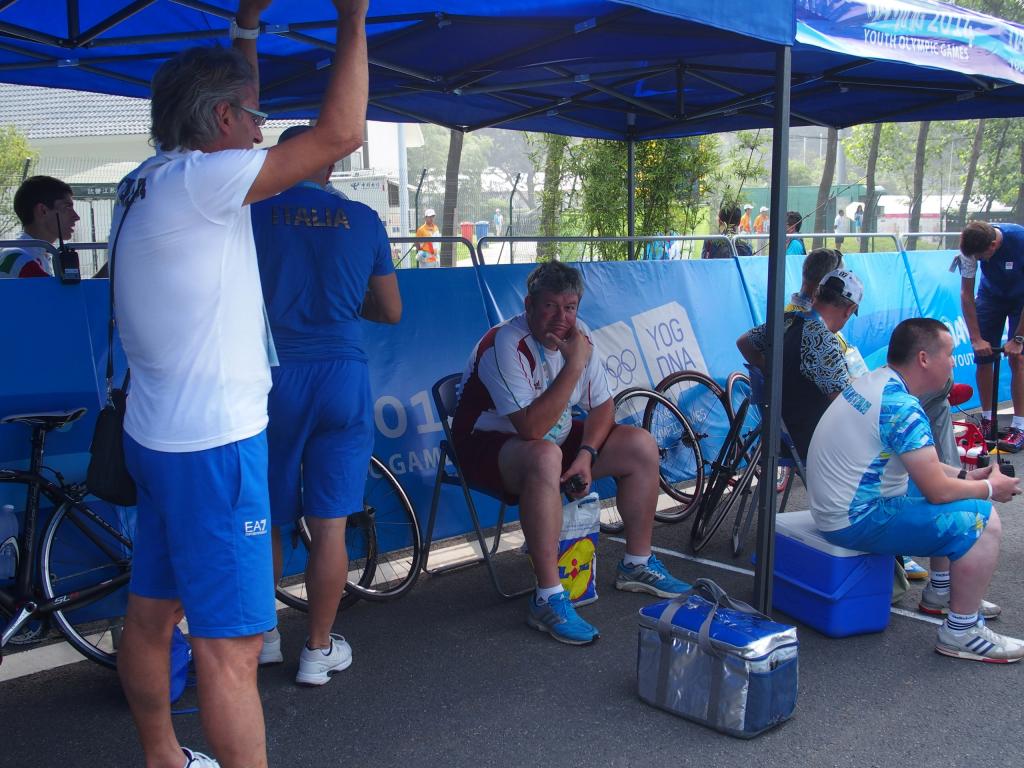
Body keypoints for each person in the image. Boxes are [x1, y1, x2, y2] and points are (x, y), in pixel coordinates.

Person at [112, 2, 370, 767]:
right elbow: (341, 134)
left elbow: (237, 105)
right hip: (213, 449)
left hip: (158, 439)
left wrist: (247, 30)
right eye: (253, 118)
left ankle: (165, 758)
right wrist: (353, 18)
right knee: (232, 651)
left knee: (151, 617)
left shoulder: (148, 180)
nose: (261, 132)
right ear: (221, 119)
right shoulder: (204, 182)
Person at [451, 261, 690, 645]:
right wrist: (575, 364)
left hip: (551, 437)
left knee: (640, 445)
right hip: (484, 445)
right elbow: (530, 428)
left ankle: (637, 563)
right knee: (545, 455)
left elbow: (603, 406)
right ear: (529, 305)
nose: (561, 318)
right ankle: (547, 597)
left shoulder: (580, 335)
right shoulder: (505, 343)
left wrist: (586, 456)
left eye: (570, 307)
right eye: (550, 306)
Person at [251, 124, 401, 685]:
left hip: (272, 377)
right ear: (329, 165)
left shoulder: (252, 213)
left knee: (265, 519)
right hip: (342, 375)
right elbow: (391, 311)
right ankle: (317, 651)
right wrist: (343, 302)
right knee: (331, 524)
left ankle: (263, 637)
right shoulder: (363, 219)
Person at [807, 318, 1023, 663]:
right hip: (855, 518)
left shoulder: (877, 382)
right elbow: (938, 491)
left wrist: (967, 476)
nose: (953, 363)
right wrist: (988, 487)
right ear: (924, 358)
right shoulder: (900, 406)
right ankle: (962, 631)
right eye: (949, 355)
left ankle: (942, 591)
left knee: (959, 492)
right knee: (984, 521)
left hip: (839, 507)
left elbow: (924, 467)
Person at [737, 268, 861, 461]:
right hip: (809, 441)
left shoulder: (787, 320)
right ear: (849, 310)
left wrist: (771, 371)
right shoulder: (823, 340)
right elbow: (846, 402)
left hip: (776, 429)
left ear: (817, 293)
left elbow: (744, 342)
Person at [957, 220, 1024, 452]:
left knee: (1018, 358)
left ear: (993, 245)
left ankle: (1020, 426)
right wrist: (976, 338)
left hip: (1020, 298)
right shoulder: (969, 249)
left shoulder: (1020, 240)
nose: (979, 261)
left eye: (981, 257)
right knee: (984, 357)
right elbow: (966, 294)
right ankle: (987, 420)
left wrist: (1018, 339)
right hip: (991, 296)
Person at [0, 175, 79, 278]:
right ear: (43, 210)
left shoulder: (40, 254)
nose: (76, 217)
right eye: (67, 208)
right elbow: (53, 289)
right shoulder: (19, 258)